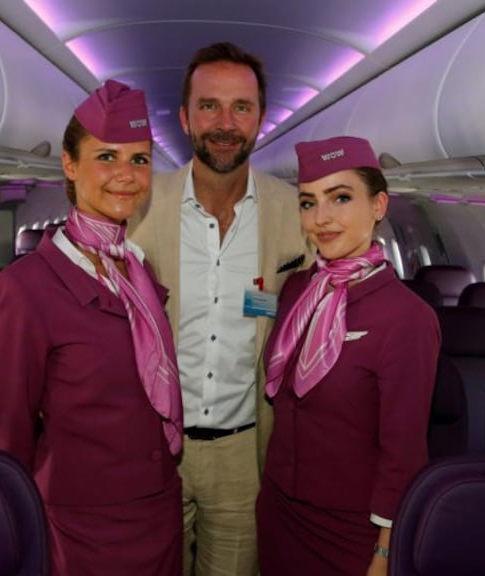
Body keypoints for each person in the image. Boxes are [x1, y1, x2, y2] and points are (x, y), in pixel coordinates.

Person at [0, 80, 183, 576]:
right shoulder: (24, 288)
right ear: (69, 166)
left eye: (139, 160)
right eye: (106, 157)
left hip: (158, 511)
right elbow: (8, 435)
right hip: (80, 528)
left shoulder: (137, 269)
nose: (126, 176)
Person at [128, 42, 311, 576]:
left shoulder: (295, 213)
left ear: (261, 119)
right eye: (210, 106)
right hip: (153, 449)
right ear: (185, 118)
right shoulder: (138, 207)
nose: (226, 123)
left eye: (242, 107)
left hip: (245, 455)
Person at [256, 136, 441, 575]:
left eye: (340, 198)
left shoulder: (407, 318)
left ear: (378, 205)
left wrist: (384, 551)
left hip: (352, 532)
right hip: (279, 513)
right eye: (308, 203)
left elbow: (405, 449)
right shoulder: (298, 289)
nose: (321, 219)